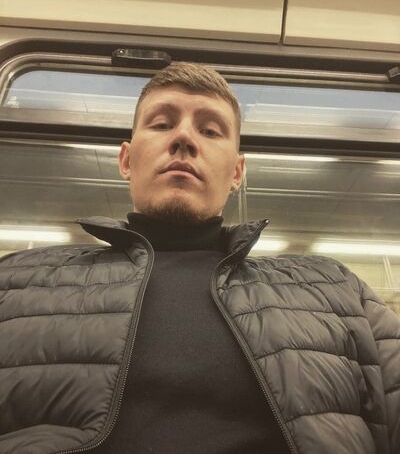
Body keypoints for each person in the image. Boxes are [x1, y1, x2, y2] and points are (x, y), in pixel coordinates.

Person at [1, 62, 399, 454]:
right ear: (126, 160)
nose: (184, 138)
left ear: (237, 172)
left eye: (209, 131)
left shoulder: (333, 288)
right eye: (161, 124)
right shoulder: (18, 281)